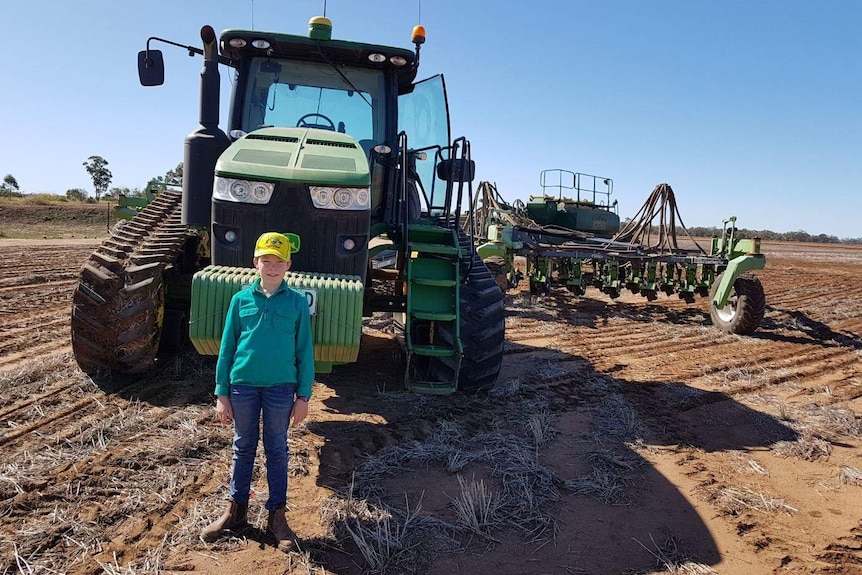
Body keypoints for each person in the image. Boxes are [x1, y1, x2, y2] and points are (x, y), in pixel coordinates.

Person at [201, 232, 315, 551]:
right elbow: (227, 349)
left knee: (277, 449)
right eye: (267, 260)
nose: (273, 266)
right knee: (243, 447)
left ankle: (276, 518)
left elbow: (305, 351)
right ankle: (235, 513)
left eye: (279, 261)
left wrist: (303, 397)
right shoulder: (240, 301)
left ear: (288, 265)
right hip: (243, 388)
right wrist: (222, 394)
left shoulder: (296, 303)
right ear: (256, 263)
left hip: (281, 390)